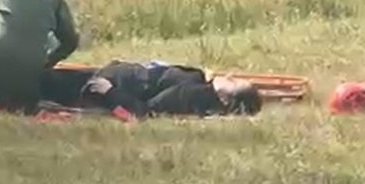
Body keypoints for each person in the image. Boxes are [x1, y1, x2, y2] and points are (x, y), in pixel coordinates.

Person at [78, 60, 263, 118]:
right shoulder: (200, 86)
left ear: (225, 99)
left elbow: (144, 112)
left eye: (232, 82)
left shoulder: (191, 94)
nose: (229, 75)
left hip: (106, 85)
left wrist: (110, 92)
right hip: (115, 75)